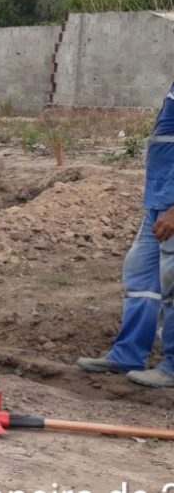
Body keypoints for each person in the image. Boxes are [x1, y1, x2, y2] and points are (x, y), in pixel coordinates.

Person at [77, 81, 174, 387]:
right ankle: (128, 353)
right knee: (142, 274)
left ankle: (172, 367)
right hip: (159, 201)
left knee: (173, 281)